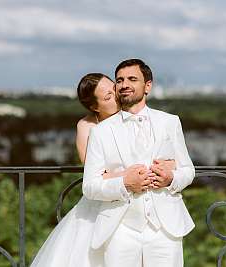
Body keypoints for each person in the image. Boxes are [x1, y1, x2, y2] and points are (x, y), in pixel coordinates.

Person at [30, 72, 175, 267]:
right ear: (94, 106)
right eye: (107, 97)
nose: (116, 96)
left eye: (114, 89)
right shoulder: (87, 126)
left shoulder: (136, 116)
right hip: (101, 205)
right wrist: (129, 176)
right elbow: (93, 173)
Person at [83, 59, 195, 267]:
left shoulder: (170, 122)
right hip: (119, 228)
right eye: (120, 80)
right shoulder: (100, 132)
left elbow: (188, 170)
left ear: (148, 86)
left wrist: (171, 178)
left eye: (132, 79)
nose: (125, 84)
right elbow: (89, 186)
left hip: (165, 227)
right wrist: (125, 183)